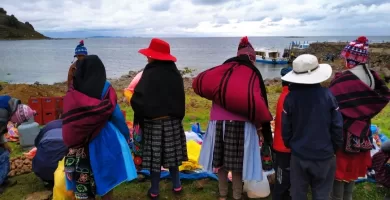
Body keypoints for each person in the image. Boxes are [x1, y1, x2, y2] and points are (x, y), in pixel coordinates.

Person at [196, 36, 272, 200]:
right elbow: (259, 103)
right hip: (241, 125)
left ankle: (223, 195)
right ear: (251, 58)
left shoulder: (224, 69)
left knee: (221, 163)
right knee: (237, 164)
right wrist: (264, 131)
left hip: (217, 123)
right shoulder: (252, 73)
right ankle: (237, 195)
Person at [62, 55, 137, 200]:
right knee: (106, 182)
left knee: (84, 182)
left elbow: (69, 117)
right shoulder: (105, 88)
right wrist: (126, 135)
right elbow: (117, 116)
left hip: (79, 144)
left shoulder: (73, 89)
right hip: (104, 139)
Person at [329, 36, 390, 200]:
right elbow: (376, 100)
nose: (343, 61)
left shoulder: (344, 80)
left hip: (343, 131)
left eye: (345, 57)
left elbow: (331, 104)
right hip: (362, 131)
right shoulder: (372, 76)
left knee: (339, 171)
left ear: (351, 57)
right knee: (351, 172)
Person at [131, 38, 187, 199]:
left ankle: (154, 190)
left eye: (149, 55)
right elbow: (180, 97)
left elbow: (139, 98)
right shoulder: (174, 73)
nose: (147, 57)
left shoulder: (149, 72)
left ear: (155, 56)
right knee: (173, 156)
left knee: (155, 157)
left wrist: (137, 105)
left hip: (153, 122)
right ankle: (177, 186)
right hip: (173, 122)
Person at [281, 54, 343, 200]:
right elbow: (337, 127)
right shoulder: (328, 95)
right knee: (322, 193)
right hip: (324, 155)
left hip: (299, 155)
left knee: (298, 194)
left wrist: (292, 145)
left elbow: (285, 128)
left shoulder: (290, 98)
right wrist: (334, 148)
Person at [0, 95, 35, 194]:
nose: (15, 123)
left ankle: (3, 180)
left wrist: (4, 143)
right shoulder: (2, 115)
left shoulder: (9, 105)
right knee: (3, 156)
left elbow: (0, 130)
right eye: (17, 122)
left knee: (3, 153)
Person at [272, 66, 293, 200]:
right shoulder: (289, 97)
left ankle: (284, 195)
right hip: (285, 145)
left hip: (280, 143)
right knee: (283, 176)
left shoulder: (283, 95)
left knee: (284, 174)